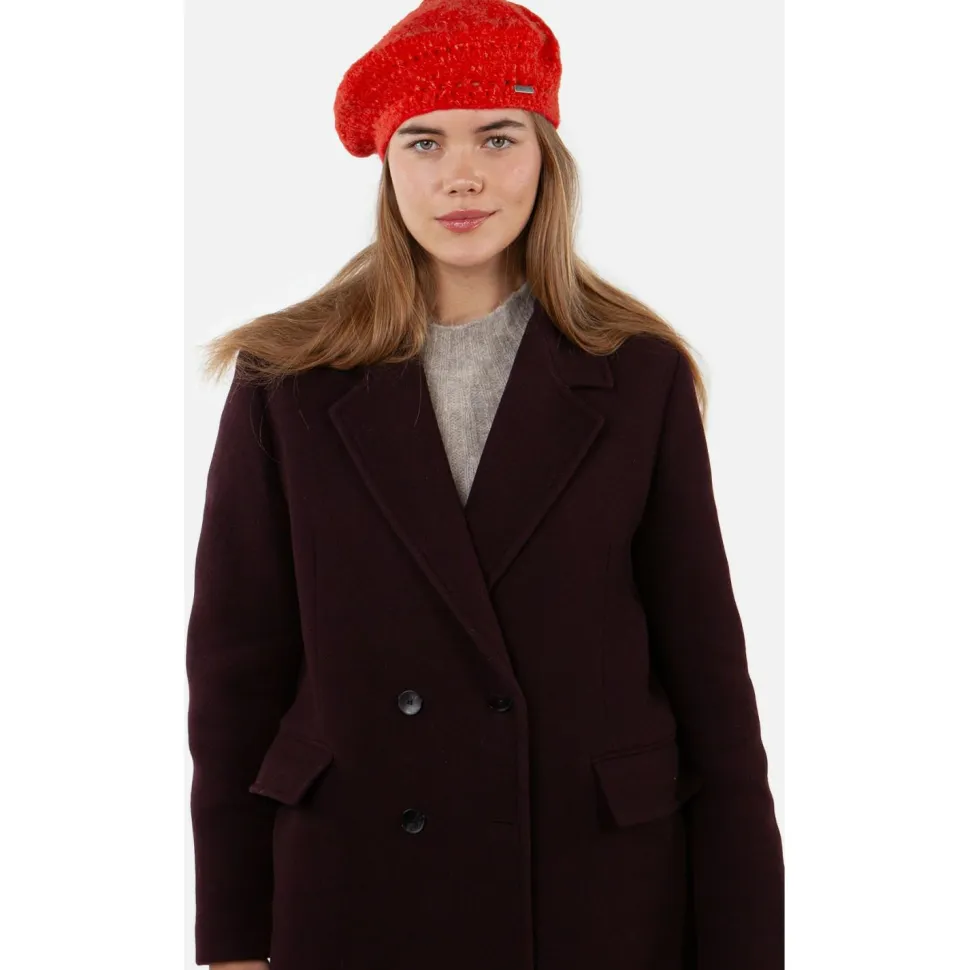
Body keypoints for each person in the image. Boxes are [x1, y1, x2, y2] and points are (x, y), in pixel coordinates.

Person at [185, 1, 784, 968]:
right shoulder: (288, 377)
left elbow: (711, 678)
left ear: (546, 156)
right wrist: (234, 940)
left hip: (592, 888)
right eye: (424, 141)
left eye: (497, 137)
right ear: (388, 164)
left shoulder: (638, 374)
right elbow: (235, 673)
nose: (460, 174)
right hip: (357, 875)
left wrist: (744, 943)